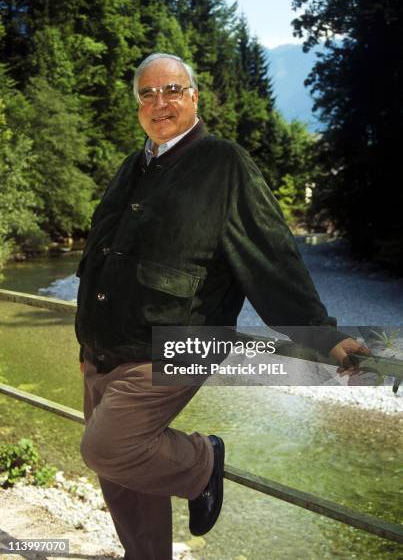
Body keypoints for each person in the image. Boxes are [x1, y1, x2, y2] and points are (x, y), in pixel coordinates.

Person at [76, 53, 369, 559]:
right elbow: (101, 253)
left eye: (171, 90)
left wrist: (321, 335)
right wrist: (86, 338)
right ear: (138, 106)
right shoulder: (135, 165)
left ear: (193, 96)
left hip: (173, 344)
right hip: (104, 347)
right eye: (146, 94)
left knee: (108, 449)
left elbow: (270, 255)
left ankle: (202, 461)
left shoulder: (225, 163)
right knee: (122, 477)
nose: (159, 102)